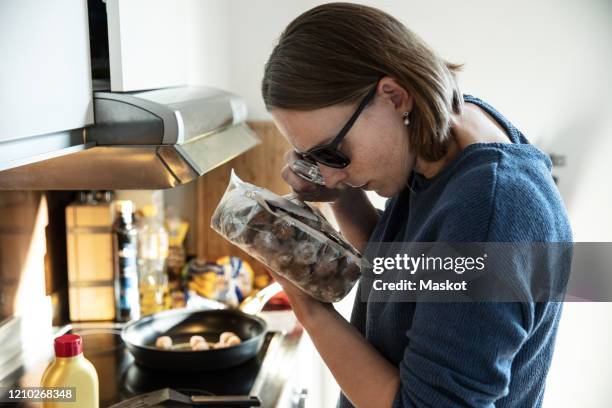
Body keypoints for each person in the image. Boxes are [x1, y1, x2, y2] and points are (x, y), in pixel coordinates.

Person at [261, 3, 571, 408]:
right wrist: (341, 193)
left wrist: (308, 306)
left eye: (332, 152)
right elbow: (410, 277)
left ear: (393, 97)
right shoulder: (443, 137)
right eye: (312, 158)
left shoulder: (489, 209)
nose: (328, 173)